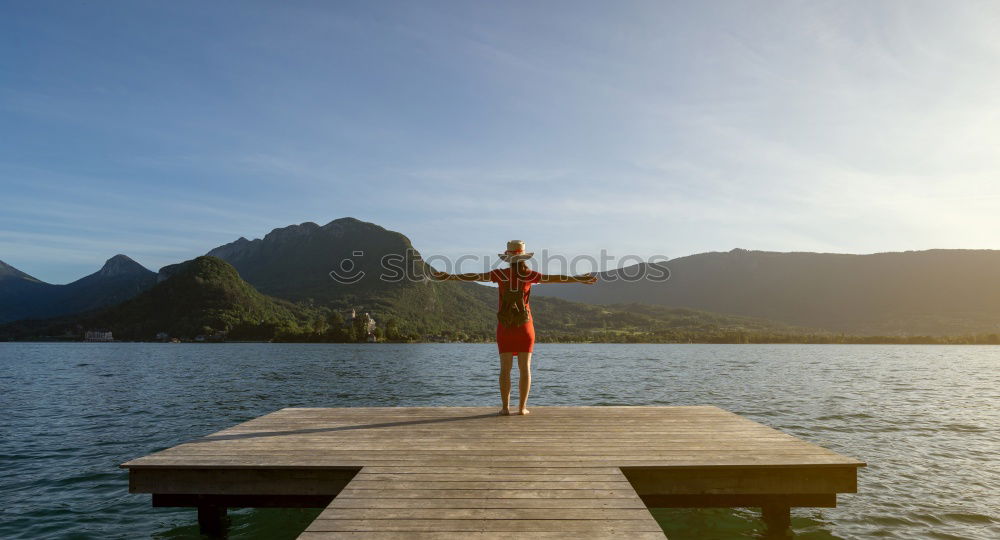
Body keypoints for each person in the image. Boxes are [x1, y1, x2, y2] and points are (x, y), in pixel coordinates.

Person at [430, 240, 597, 415]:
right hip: (525, 326)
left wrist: (450, 276)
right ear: (524, 257)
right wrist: (578, 278)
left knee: (505, 369)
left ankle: (504, 408)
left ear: (508, 258)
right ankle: (522, 408)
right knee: (525, 369)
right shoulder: (528, 274)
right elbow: (554, 279)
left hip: (506, 326)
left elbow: (475, 276)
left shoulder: (500, 275)